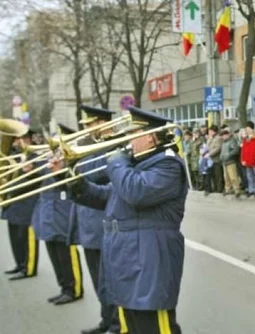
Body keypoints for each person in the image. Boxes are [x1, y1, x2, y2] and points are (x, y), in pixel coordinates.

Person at [51, 107, 188, 333]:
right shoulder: (135, 166)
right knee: (131, 322)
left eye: (134, 134)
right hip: (126, 255)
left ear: (151, 137)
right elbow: (105, 196)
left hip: (149, 256)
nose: (129, 140)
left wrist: (117, 161)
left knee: (153, 324)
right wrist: (69, 179)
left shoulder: (168, 165)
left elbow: (136, 192)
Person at [69, 105, 121, 334]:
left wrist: (75, 158)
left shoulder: (116, 145)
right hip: (87, 222)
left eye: (90, 125)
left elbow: (93, 174)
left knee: (111, 278)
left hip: (104, 222)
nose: (87, 131)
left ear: (102, 123)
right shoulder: (88, 147)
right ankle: (106, 320)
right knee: (98, 278)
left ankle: (118, 324)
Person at [35, 123, 83, 306]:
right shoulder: (50, 159)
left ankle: (74, 288)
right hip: (48, 210)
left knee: (65, 251)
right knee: (53, 250)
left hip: (62, 210)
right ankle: (63, 287)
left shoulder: (72, 158)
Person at [2, 130, 40, 281]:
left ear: (29, 140)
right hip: (13, 204)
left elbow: (35, 180)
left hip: (28, 203)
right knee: (15, 237)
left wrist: (26, 173)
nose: (18, 142)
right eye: (17, 139)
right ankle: (19, 264)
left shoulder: (35, 157)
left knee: (27, 238)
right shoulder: (15, 156)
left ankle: (28, 268)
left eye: (22, 139)